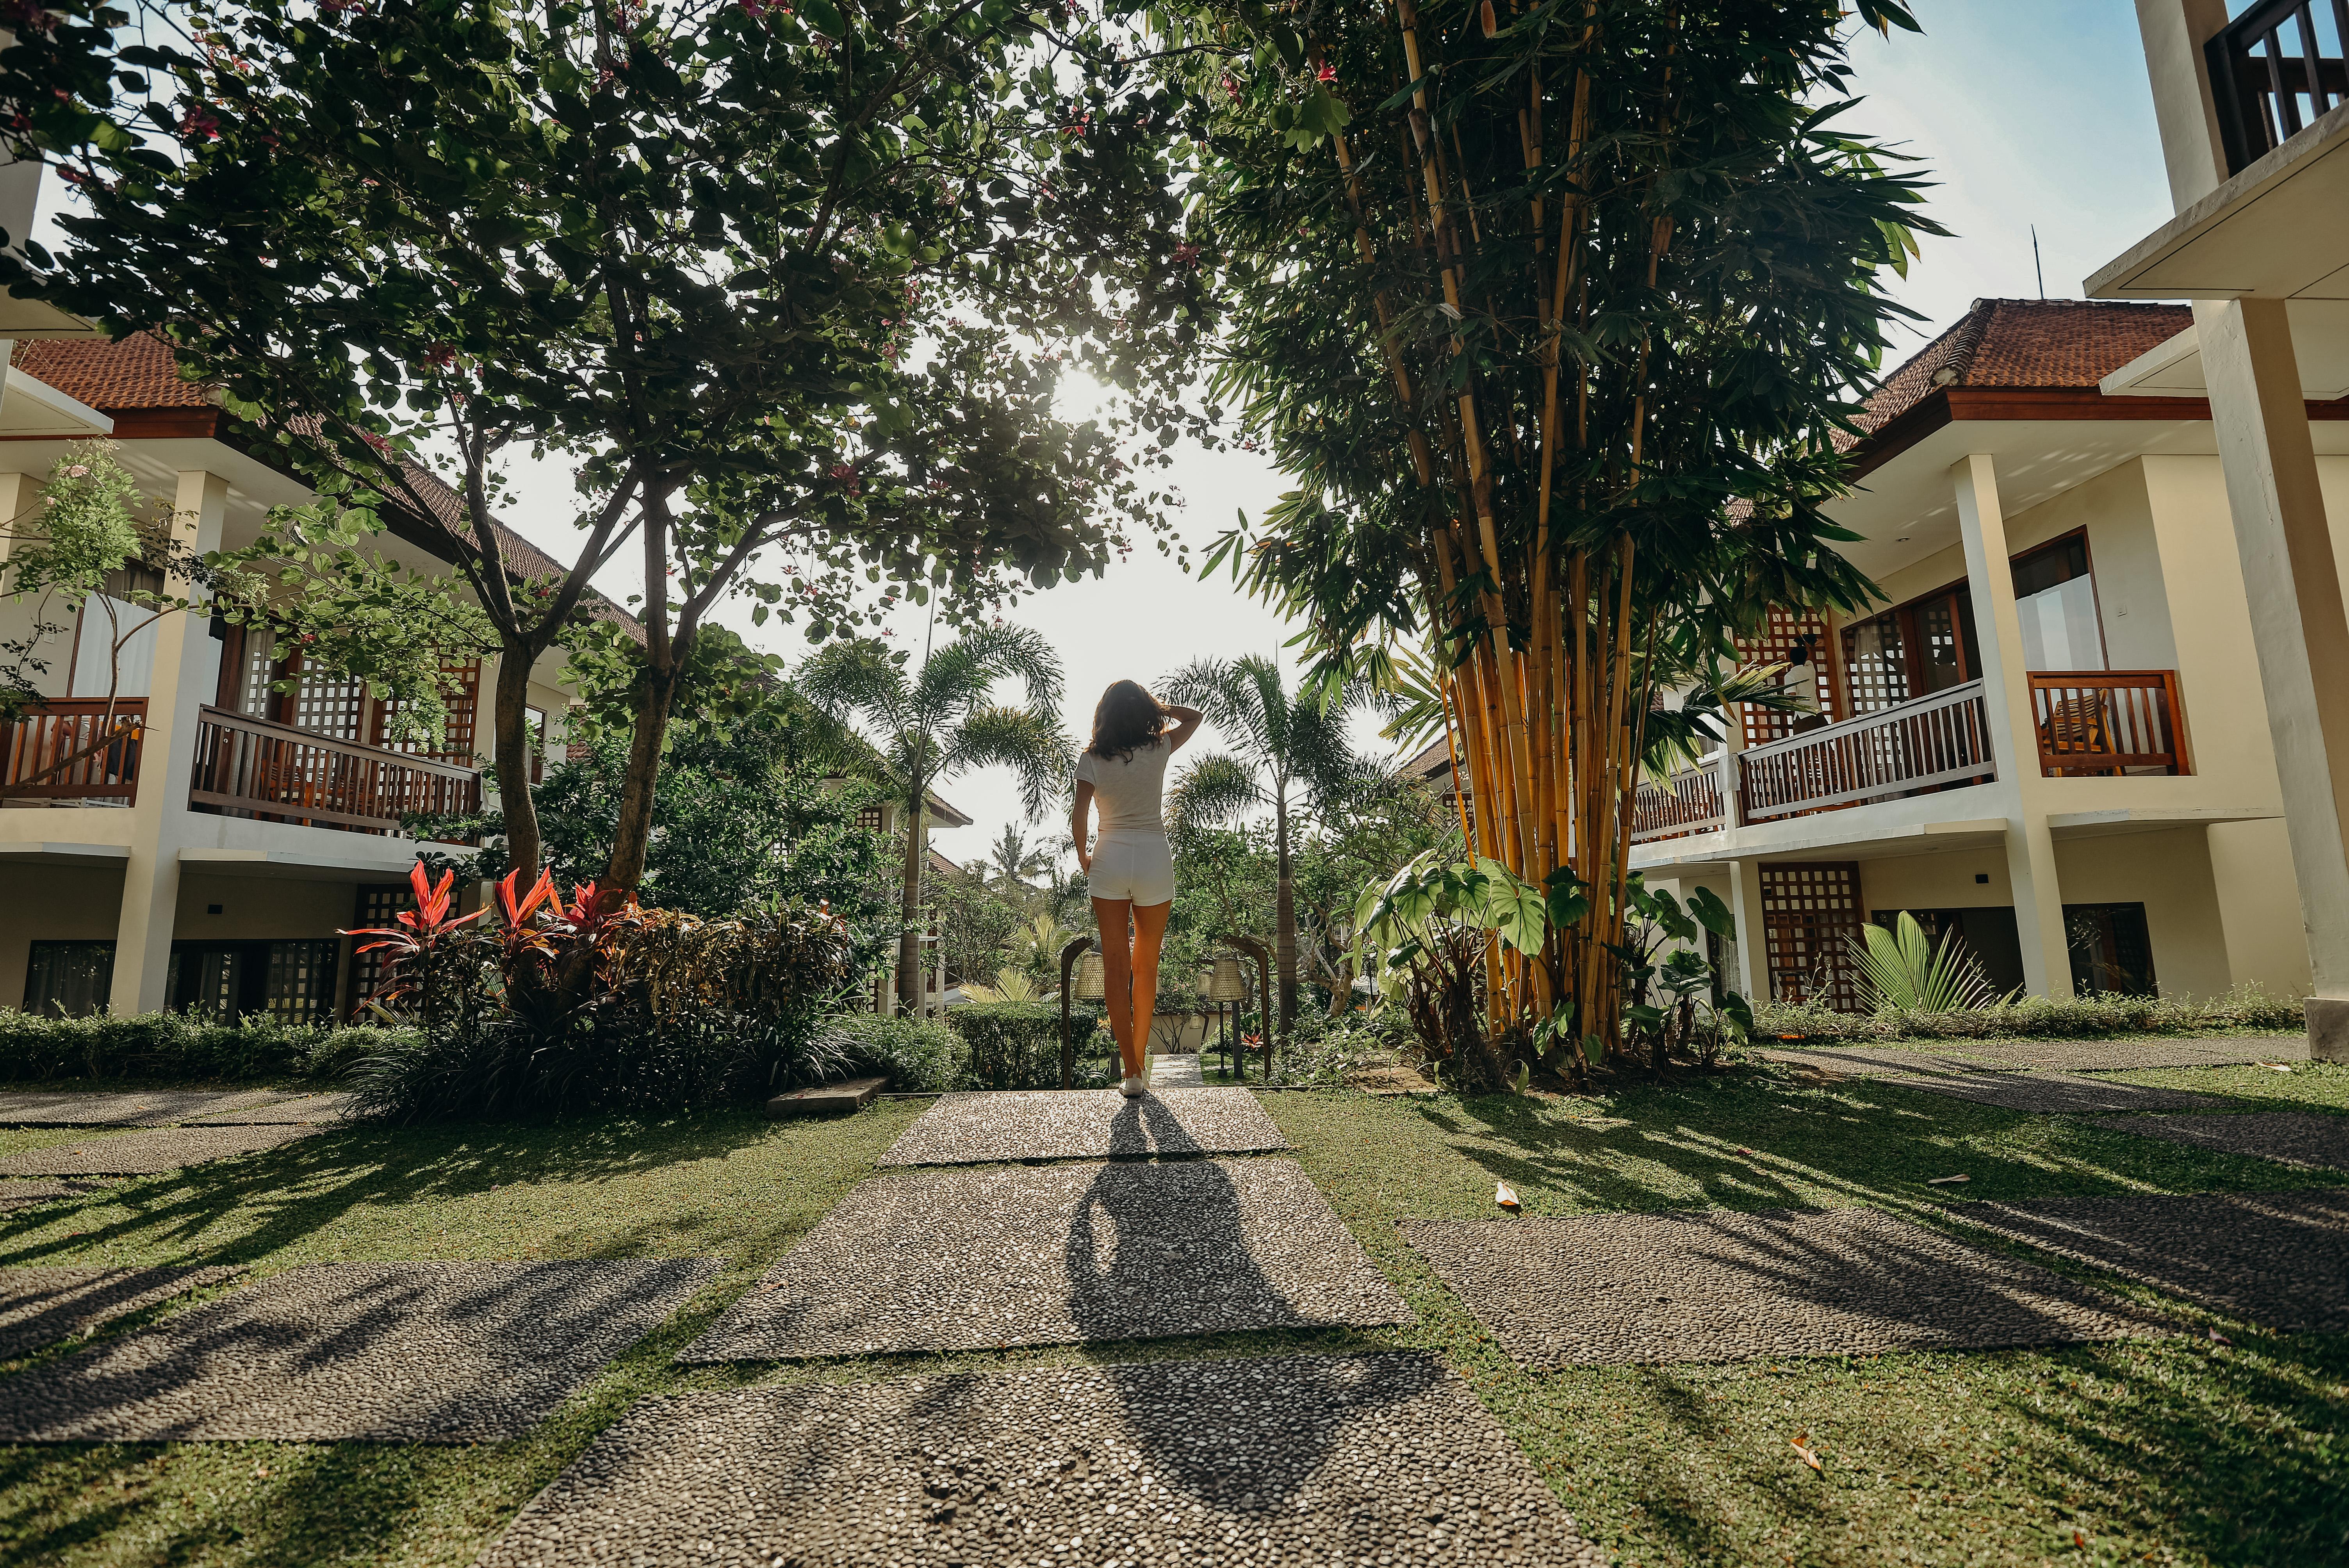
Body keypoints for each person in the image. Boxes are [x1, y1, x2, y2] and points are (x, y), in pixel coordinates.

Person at [1071, 680, 1202, 1096]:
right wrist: (1157, 706)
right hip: (1152, 856)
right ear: (1143, 710)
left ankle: (1130, 1069)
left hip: (1108, 856)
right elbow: (1194, 717)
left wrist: (1084, 858)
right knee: (1146, 965)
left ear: (1103, 714)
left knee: (1115, 965)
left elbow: (1079, 816)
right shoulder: (1159, 747)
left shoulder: (1091, 758)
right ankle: (1139, 1061)